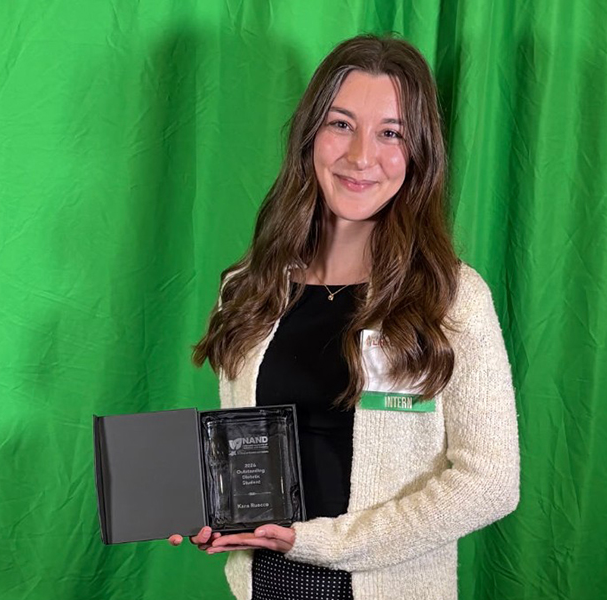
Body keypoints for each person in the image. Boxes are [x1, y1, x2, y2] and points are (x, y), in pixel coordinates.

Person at [170, 33, 520, 600]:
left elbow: (491, 483)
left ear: (419, 153)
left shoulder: (453, 298)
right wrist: (213, 512)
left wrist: (325, 542)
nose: (361, 156)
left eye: (391, 133)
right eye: (340, 125)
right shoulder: (247, 289)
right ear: (310, 137)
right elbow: (243, 451)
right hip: (266, 585)